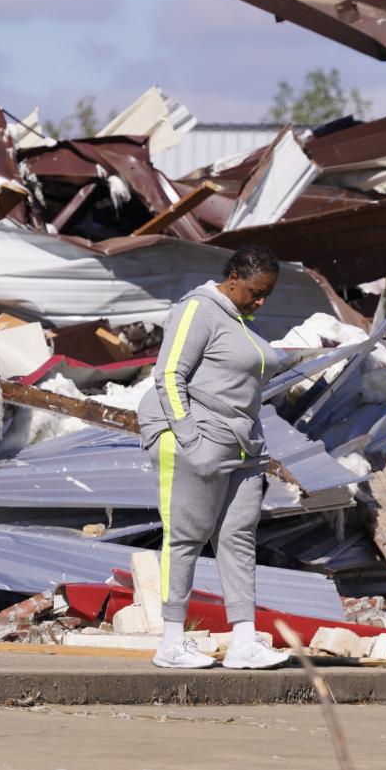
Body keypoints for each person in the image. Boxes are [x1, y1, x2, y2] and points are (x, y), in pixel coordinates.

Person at [136, 244, 290, 669]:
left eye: (268, 295)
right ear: (234, 279)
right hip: (198, 440)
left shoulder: (241, 321)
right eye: (256, 292)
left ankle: (243, 640)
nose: (260, 301)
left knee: (238, 540)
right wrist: (192, 441)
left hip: (242, 447)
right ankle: (170, 641)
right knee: (185, 538)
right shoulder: (198, 310)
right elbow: (168, 374)